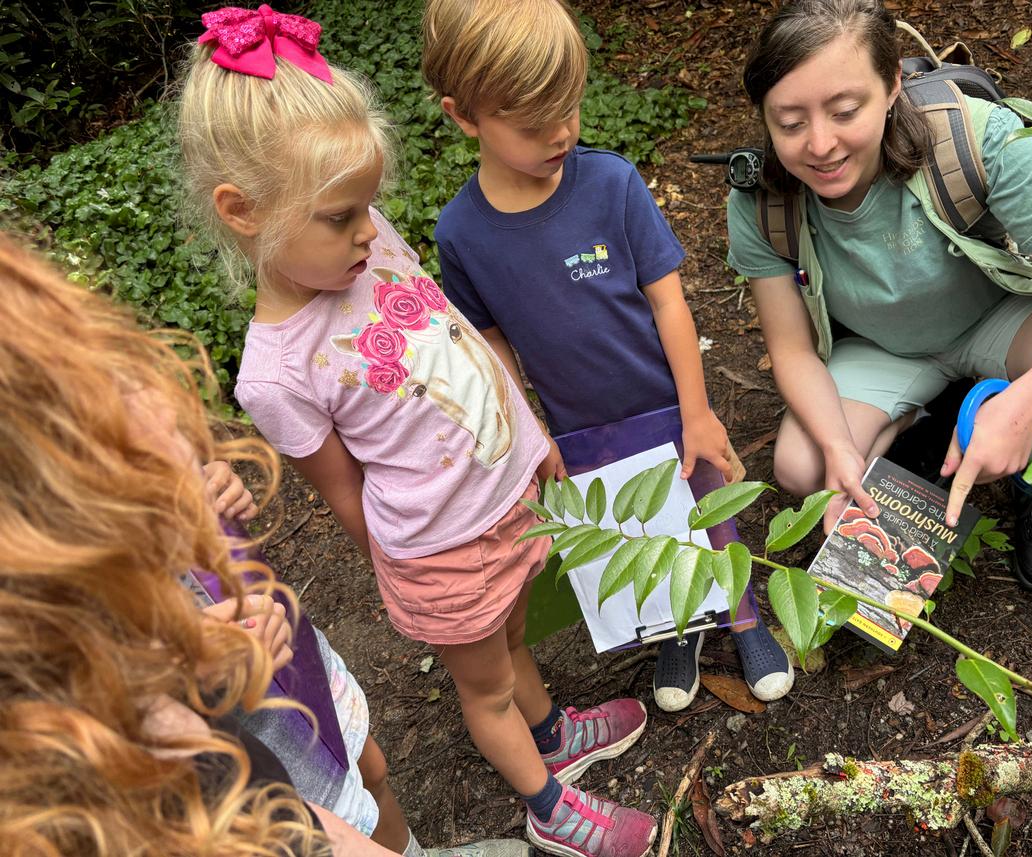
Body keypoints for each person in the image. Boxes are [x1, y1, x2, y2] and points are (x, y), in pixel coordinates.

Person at [175, 7, 658, 857]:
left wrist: (528, 430)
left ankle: (550, 730)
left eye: (368, 206)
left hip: (505, 500)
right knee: (485, 683)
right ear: (243, 211)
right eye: (340, 216)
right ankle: (548, 806)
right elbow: (343, 491)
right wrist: (416, 583)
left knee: (513, 638)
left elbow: (455, 337)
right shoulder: (275, 371)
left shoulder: (367, 245)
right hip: (442, 550)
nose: (369, 228)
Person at [421, 0, 794, 716]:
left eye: (569, 108)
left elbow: (669, 303)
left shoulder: (610, 183)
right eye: (533, 124)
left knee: (706, 509)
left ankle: (746, 619)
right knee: (634, 529)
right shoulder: (461, 233)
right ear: (464, 117)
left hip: (666, 403)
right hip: (578, 428)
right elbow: (490, 342)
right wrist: (532, 433)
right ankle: (675, 629)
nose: (562, 132)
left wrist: (697, 411)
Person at [0, 232, 401, 855]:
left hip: (299, 661)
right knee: (345, 803)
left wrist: (210, 485)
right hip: (264, 734)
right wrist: (193, 669)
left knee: (368, 763)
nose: (163, 410)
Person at [727, 0, 1032, 594]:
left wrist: (1025, 405)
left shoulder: (970, 139)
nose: (820, 144)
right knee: (803, 466)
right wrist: (839, 450)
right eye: (789, 123)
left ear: (892, 84)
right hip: (886, 344)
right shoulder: (761, 199)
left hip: (1004, 315)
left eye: (845, 112)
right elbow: (791, 349)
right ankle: (935, 416)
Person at [201, 462, 532, 857]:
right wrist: (183, 654)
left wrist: (218, 480)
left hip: (290, 651)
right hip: (229, 724)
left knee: (369, 767)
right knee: (331, 822)